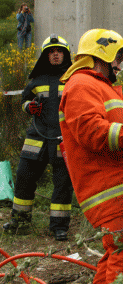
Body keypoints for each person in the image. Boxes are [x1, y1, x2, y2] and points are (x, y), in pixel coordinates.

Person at [58, 28, 123, 283]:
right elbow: (93, 132)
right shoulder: (82, 84)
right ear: (100, 55)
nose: (118, 65)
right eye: (116, 58)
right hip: (118, 197)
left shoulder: (99, 87)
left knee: (115, 263)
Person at [2, 34, 73, 241]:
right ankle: (20, 222)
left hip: (61, 139)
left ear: (65, 54)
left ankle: (59, 227)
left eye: (59, 51)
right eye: (51, 52)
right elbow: (25, 100)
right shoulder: (37, 80)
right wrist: (29, 107)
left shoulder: (72, 79)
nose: (56, 55)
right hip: (36, 139)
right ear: (45, 56)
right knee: (24, 177)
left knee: (62, 183)